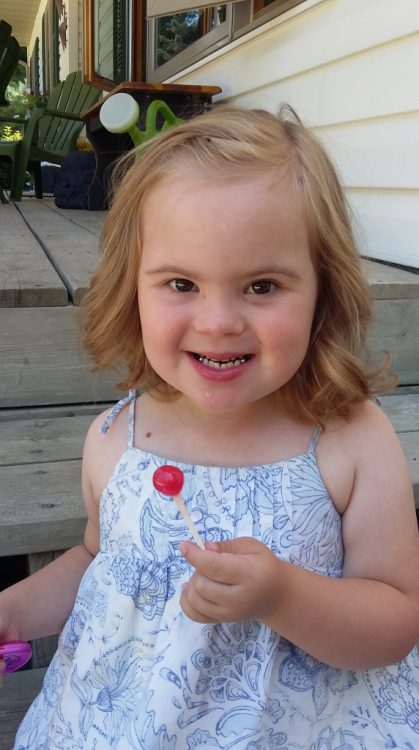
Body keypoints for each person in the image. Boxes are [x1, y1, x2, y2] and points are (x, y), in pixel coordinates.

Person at [2, 106, 419, 749]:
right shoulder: (116, 440)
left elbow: (396, 618)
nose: (219, 321)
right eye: (180, 283)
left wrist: (284, 596)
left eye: (261, 285)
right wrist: (14, 611)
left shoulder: (349, 441)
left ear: (323, 292)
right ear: (131, 291)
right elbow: (96, 559)